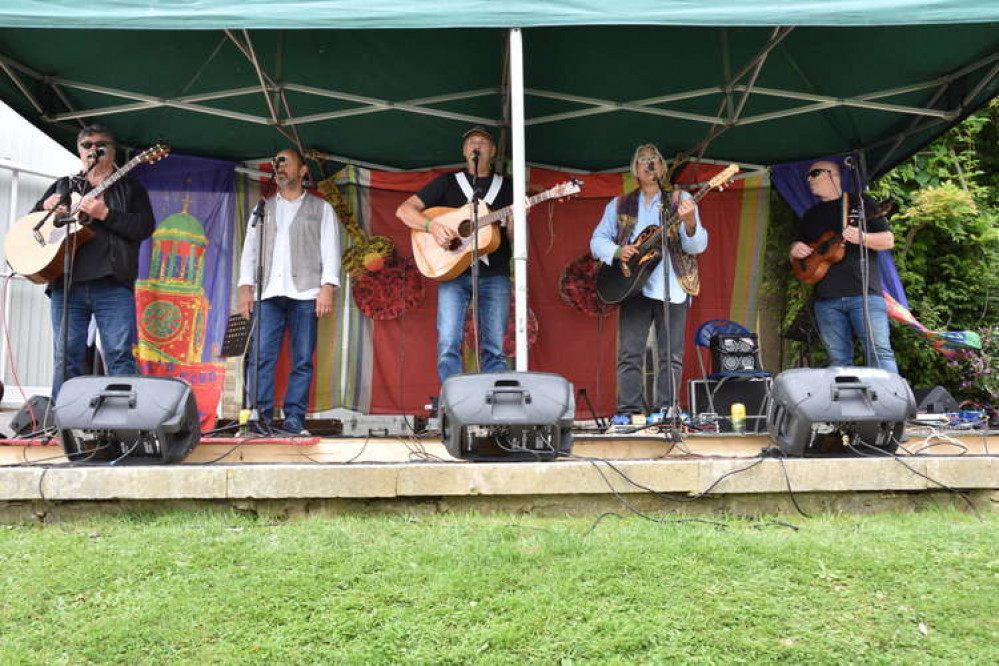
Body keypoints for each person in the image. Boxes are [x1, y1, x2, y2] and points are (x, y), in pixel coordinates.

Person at [32, 124, 155, 399]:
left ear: (112, 151)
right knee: (67, 355)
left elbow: (144, 227)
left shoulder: (131, 189)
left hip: (113, 284)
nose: (92, 149)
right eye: (86, 145)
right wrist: (45, 208)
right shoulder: (65, 186)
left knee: (119, 354)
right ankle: (64, 423)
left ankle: (126, 426)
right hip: (68, 283)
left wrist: (105, 214)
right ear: (79, 151)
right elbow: (33, 225)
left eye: (100, 145)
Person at [590, 144, 708, 421]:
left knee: (671, 354)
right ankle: (627, 411)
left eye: (654, 160)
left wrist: (690, 223)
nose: (649, 164)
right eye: (642, 160)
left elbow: (697, 246)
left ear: (662, 168)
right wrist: (619, 252)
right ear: (635, 169)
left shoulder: (680, 199)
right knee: (630, 352)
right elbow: (597, 241)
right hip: (633, 286)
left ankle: (666, 410)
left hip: (674, 285)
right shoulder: (619, 204)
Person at [396, 127, 514, 383]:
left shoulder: (507, 188)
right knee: (449, 339)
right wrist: (432, 227)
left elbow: (515, 241)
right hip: (453, 272)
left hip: (495, 273)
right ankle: (452, 396)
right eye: (472, 142)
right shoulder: (447, 183)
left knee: (495, 342)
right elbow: (404, 211)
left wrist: (517, 220)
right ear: (464, 151)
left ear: (492, 152)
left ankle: (495, 399)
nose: (477, 146)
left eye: (483, 142)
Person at [238, 148, 341, 435]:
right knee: (261, 357)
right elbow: (249, 251)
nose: (279, 168)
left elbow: (331, 250)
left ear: (303, 170)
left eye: (285, 163)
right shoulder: (262, 207)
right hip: (267, 293)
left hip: (306, 293)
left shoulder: (321, 208)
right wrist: (245, 289)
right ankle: (261, 418)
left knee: (302, 359)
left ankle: (295, 418)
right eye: (276, 164)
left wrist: (328, 287)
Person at [789, 160, 899, 373]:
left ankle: (890, 404)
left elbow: (888, 240)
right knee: (838, 361)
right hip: (826, 299)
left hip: (864, 295)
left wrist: (862, 237)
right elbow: (800, 247)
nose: (808, 179)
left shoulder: (861, 203)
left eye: (814, 174)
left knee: (880, 353)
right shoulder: (810, 215)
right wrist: (793, 248)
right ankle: (845, 405)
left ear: (833, 175)